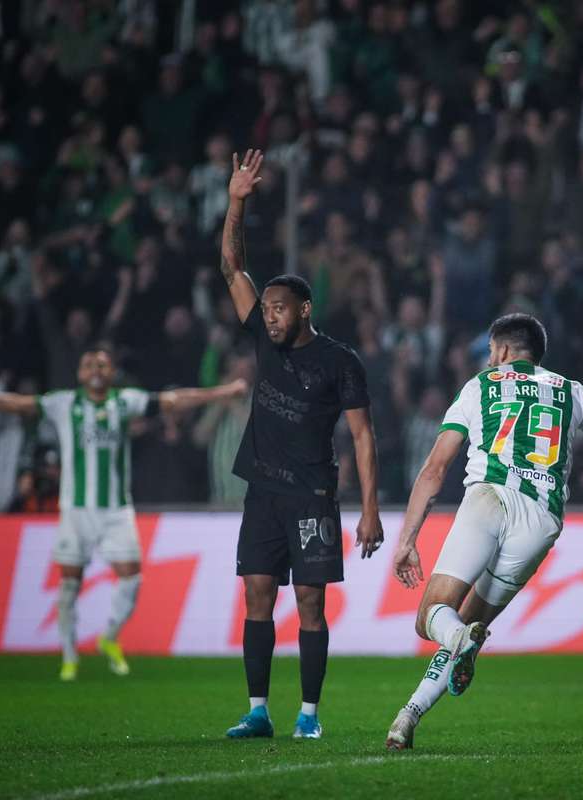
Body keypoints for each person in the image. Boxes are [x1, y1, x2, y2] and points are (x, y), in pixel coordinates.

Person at [383, 313, 583, 750]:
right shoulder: (574, 392)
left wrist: (406, 541)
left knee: (433, 619)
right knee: (468, 627)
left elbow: (434, 469)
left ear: (500, 351)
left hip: (489, 499)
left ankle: (457, 640)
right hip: (541, 522)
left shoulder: (480, 386)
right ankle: (408, 716)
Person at [0, 345, 248, 681]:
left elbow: (173, 400)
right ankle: (69, 656)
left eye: (103, 364)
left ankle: (109, 636)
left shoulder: (123, 402)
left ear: (111, 373)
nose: (96, 369)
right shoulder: (64, 403)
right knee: (69, 586)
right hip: (76, 511)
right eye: (89, 364)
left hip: (116, 511)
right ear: (80, 373)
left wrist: (223, 391)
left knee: (132, 579)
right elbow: (20, 405)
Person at [216, 149, 384, 741]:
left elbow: (363, 436)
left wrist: (368, 509)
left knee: (310, 603)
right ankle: (258, 711)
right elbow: (233, 267)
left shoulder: (340, 362)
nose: (270, 317)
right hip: (262, 490)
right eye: (266, 309)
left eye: (280, 308)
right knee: (257, 594)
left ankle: (308, 717)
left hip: (313, 495)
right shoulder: (264, 340)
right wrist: (236, 201)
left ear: (303, 310)